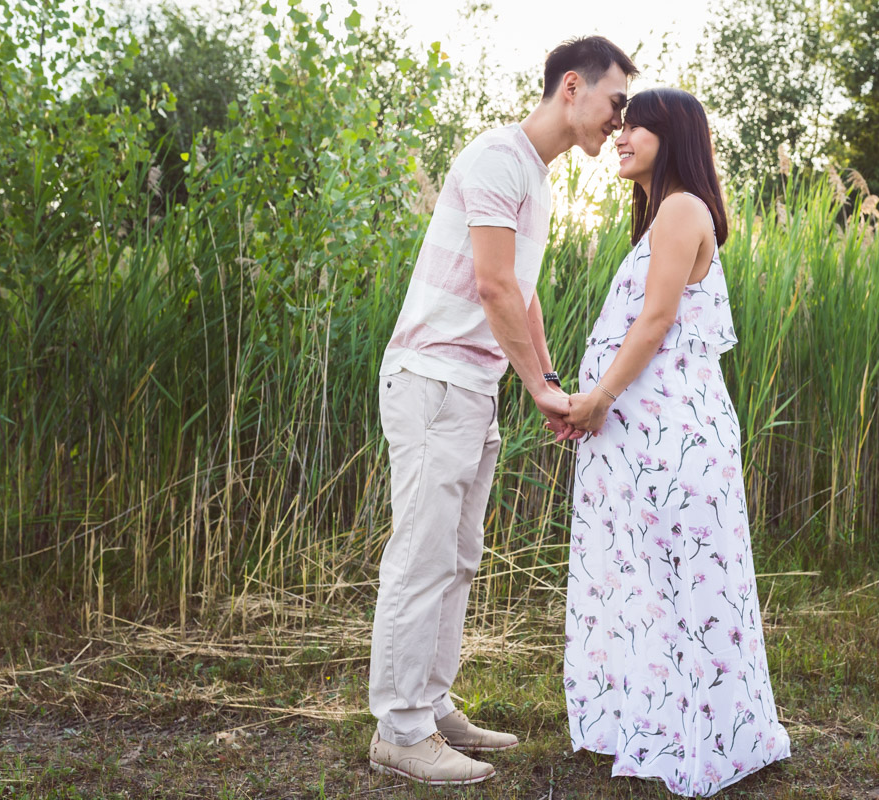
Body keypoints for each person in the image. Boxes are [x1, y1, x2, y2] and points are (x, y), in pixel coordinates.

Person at [368, 37, 638, 786]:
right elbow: (490, 286)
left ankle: (431, 703)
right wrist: (540, 391)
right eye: (617, 103)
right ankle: (397, 731)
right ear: (572, 88)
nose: (620, 123)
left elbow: (521, 294)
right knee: (421, 558)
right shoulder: (496, 158)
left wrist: (544, 377)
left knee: (458, 557)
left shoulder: (538, 178)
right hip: (433, 381)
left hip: (472, 387)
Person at [561, 88, 792, 796]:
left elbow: (656, 320)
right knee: (649, 582)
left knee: (678, 580)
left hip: (670, 436)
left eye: (637, 126)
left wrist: (598, 397)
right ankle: (659, 718)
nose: (621, 134)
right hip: (646, 433)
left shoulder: (683, 207)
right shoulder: (665, 213)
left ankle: (700, 736)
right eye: (621, 122)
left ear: (673, 135)